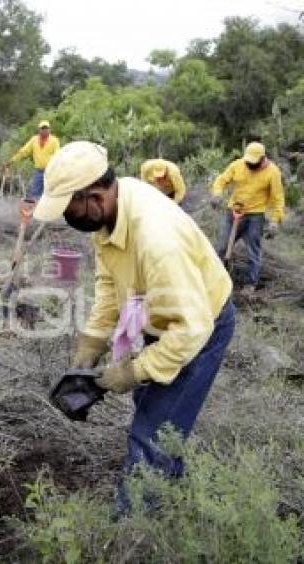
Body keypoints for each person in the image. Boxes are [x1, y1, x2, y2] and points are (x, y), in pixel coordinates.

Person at [34, 141, 235, 513]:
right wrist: (90, 346)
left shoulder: (157, 240)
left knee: (152, 432)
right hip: (163, 316)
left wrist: (131, 372)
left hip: (199, 326)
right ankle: (170, 496)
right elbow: (110, 285)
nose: (67, 217)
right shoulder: (110, 210)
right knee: (156, 410)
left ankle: (135, 525)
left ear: (94, 196)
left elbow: (191, 330)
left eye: (68, 207)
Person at [211, 141, 285, 295]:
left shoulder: (273, 172)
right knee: (221, 247)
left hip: (255, 217)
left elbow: (278, 199)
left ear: (263, 158)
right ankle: (215, 279)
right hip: (233, 212)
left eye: (254, 162)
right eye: (248, 161)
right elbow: (221, 180)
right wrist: (217, 194)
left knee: (253, 252)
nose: (250, 164)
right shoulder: (237, 165)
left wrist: (274, 221)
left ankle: (250, 284)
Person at [5, 120, 60, 200]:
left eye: (46, 128)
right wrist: (12, 161)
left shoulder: (54, 140)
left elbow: (58, 155)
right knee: (35, 194)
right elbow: (24, 152)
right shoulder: (34, 140)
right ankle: (36, 211)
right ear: (39, 130)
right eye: (42, 128)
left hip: (51, 171)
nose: (44, 130)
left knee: (50, 193)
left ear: (49, 129)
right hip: (39, 171)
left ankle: (50, 211)